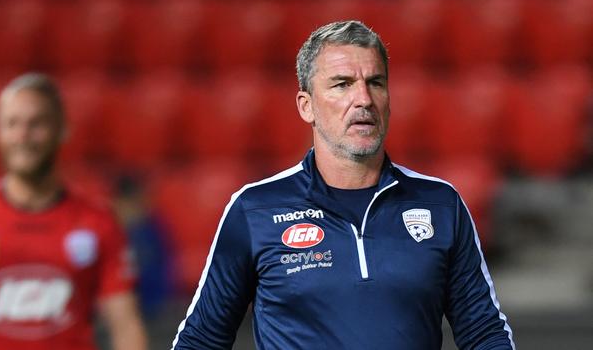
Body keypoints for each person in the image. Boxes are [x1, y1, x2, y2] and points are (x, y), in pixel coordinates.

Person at [171, 20, 515, 349]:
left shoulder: (441, 204)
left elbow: (484, 333)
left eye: (376, 82)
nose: (363, 99)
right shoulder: (255, 209)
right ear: (307, 107)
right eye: (342, 83)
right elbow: (201, 340)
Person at [0, 73, 147, 350]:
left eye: (36, 123)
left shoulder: (98, 222)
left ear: (63, 129)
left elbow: (126, 325)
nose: (22, 135)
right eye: (11, 124)